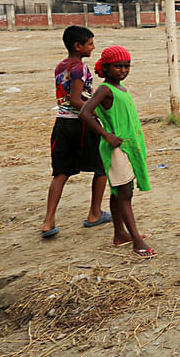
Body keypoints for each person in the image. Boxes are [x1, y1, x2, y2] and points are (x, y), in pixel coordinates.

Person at [80, 46, 154, 258]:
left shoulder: (120, 88)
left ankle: (120, 233)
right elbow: (85, 113)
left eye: (126, 66)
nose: (122, 70)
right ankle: (137, 241)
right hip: (116, 147)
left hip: (127, 146)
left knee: (119, 190)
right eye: (118, 66)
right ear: (106, 67)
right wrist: (106, 134)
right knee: (125, 194)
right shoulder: (105, 90)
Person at [41, 26, 110, 238]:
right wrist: (98, 113)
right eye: (89, 44)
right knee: (101, 167)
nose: (93, 47)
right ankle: (95, 213)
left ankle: (48, 221)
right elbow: (76, 100)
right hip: (81, 124)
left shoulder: (60, 66)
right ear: (77, 46)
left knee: (61, 172)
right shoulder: (80, 68)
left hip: (62, 124)